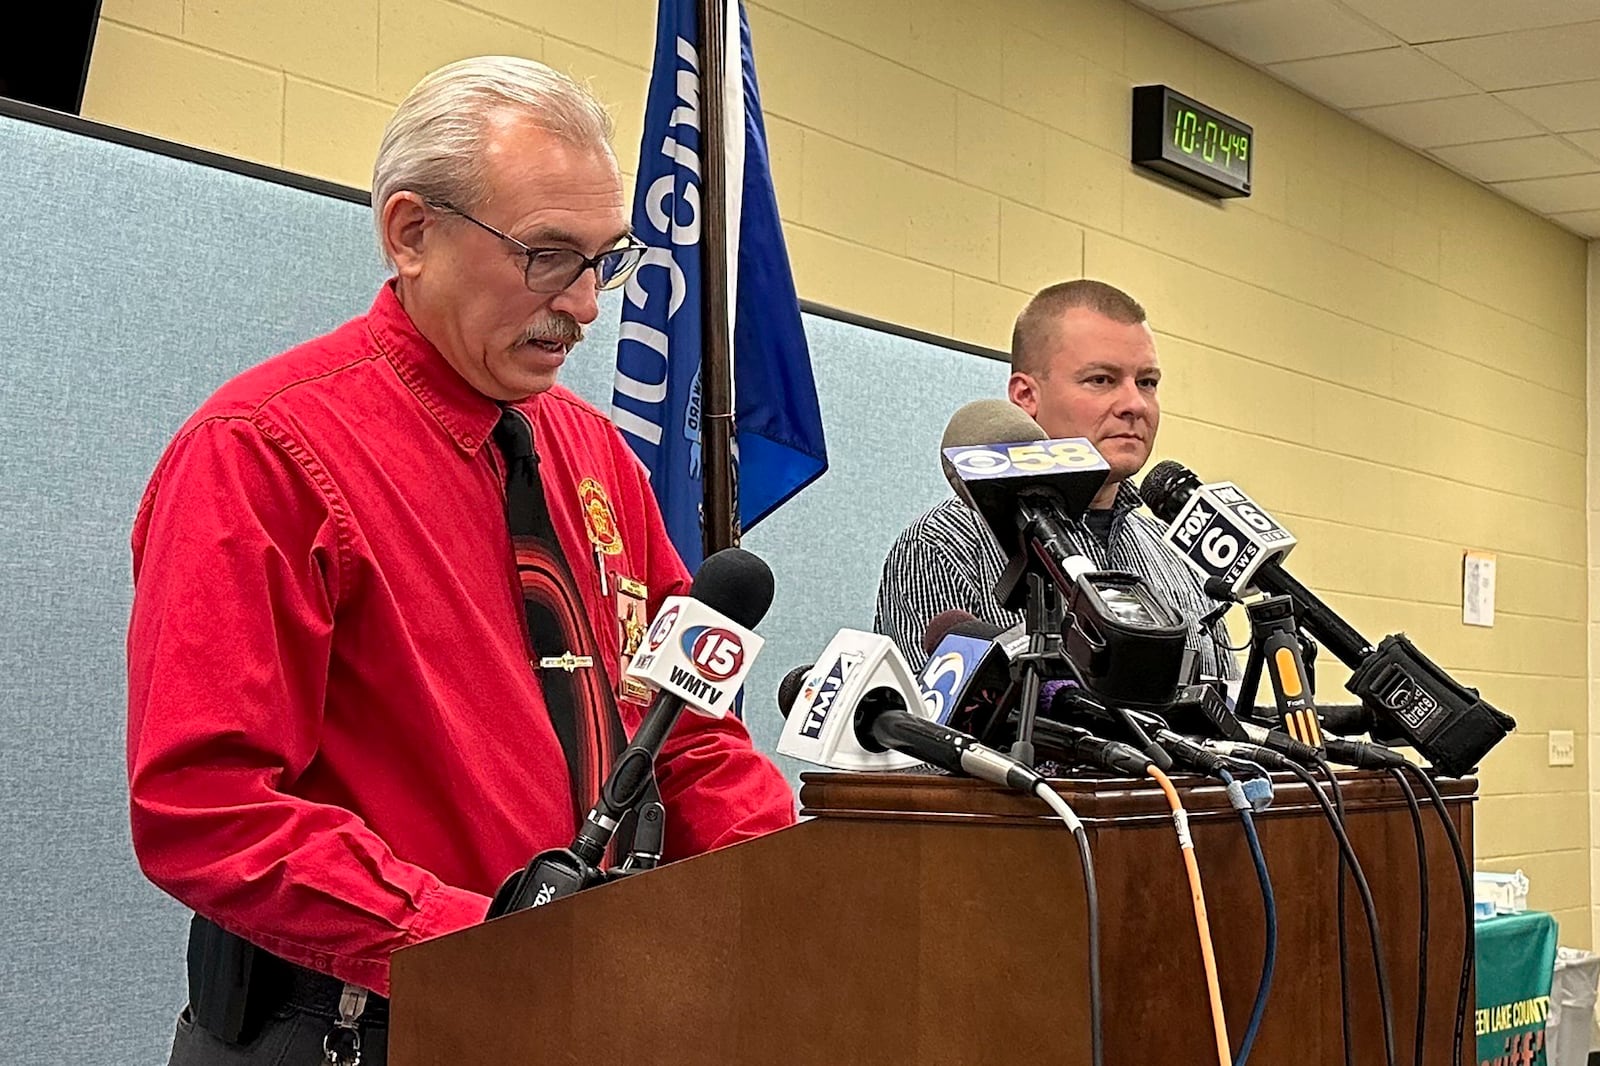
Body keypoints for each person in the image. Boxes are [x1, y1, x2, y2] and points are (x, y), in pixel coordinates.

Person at [126, 56, 796, 1066]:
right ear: (410, 234)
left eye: (606, 260)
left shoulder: (597, 454)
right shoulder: (261, 452)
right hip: (359, 1025)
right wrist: (485, 947)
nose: (585, 306)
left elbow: (683, 727)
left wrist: (787, 906)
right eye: (546, 257)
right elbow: (209, 806)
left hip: (576, 1003)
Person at [874, 279, 1236, 679]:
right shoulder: (944, 546)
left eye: (1147, 382)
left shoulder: (1178, 560)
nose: (1135, 404)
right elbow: (932, 726)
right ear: (1026, 396)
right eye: (1101, 380)